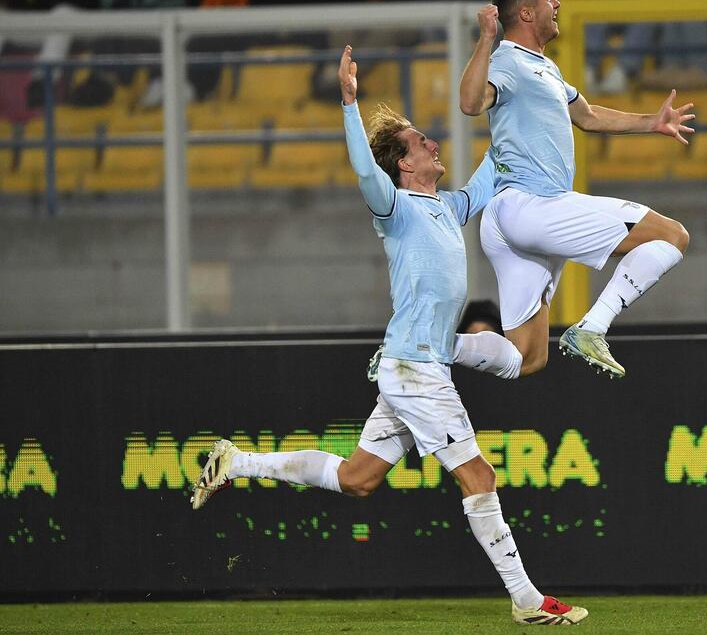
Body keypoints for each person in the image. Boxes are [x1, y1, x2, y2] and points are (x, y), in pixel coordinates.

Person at [191, 44, 588, 627]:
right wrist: (349, 103)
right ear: (403, 164)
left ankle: (237, 463)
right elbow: (363, 170)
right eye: (421, 141)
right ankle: (527, 600)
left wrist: (515, 117)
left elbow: (492, 172)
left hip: (410, 367)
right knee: (479, 476)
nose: (433, 143)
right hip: (417, 370)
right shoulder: (395, 208)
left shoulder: (447, 208)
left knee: (357, 480)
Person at [459, 0, 694, 379]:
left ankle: (425, 347)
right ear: (526, 13)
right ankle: (593, 327)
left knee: (527, 358)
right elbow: (470, 103)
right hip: (531, 205)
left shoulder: (544, 67)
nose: (557, 4)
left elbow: (587, 115)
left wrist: (651, 122)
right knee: (673, 235)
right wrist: (486, 39)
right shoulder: (507, 62)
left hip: (510, 217)